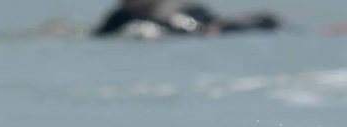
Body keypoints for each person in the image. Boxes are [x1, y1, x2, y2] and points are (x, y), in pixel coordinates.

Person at [93, 0, 280, 37]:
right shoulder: (124, 11)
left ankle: (265, 22)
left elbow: (176, 19)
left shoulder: (156, 8)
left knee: (219, 28)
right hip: (183, 14)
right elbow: (101, 33)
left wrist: (200, 30)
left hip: (190, 14)